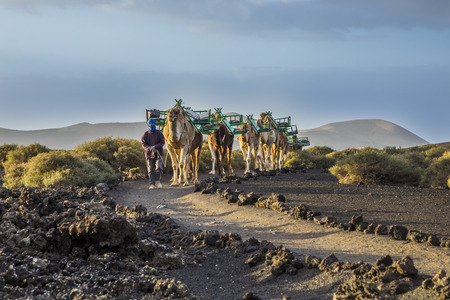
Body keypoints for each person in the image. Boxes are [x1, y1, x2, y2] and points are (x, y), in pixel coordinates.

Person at [141, 119, 165, 189]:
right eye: (150, 123)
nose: (151, 124)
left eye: (153, 123)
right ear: (148, 124)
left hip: (158, 153)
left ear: (155, 124)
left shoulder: (159, 133)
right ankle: (152, 184)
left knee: (159, 167)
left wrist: (156, 147)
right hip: (149, 154)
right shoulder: (145, 134)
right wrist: (149, 148)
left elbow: (162, 142)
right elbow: (143, 143)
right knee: (151, 169)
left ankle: (158, 181)